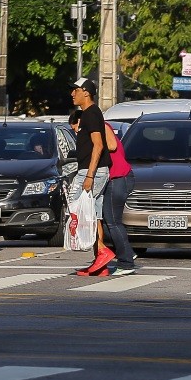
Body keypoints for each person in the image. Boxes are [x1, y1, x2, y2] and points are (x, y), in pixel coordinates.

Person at [69, 78, 113, 276]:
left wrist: (90, 175)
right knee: (94, 215)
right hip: (94, 170)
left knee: (79, 210)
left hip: (91, 171)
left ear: (86, 92)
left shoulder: (91, 114)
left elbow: (99, 145)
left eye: (75, 90)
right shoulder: (89, 114)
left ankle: (103, 251)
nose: (72, 94)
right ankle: (100, 264)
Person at [101, 120, 136, 276]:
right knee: (106, 221)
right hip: (119, 177)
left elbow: (112, 146)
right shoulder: (102, 127)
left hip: (118, 178)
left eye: (76, 128)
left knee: (113, 222)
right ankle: (126, 251)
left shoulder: (101, 127)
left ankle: (126, 262)